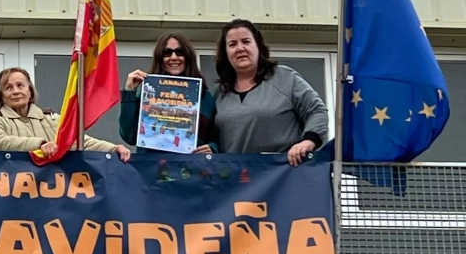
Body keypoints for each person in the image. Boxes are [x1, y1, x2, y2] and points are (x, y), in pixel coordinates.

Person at [211, 18, 329, 166]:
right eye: (232, 44)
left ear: (258, 46)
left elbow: (317, 111)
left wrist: (309, 140)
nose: (240, 48)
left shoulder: (285, 78)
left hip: (283, 173)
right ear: (225, 52)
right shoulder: (219, 93)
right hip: (235, 177)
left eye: (246, 41)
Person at [0, 67, 132, 162]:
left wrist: (112, 149)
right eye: (8, 87)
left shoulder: (52, 119)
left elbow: (80, 142)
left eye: (20, 85)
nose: (16, 91)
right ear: (1, 96)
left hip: (50, 192)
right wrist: (40, 145)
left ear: (30, 91)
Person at [118, 33, 219, 154]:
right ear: (159, 58)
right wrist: (129, 92)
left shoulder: (204, 96)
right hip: (151, 164)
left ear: (188, 57)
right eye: (167, 52)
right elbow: (129, 136)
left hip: (192, 165)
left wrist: (212, 148)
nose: (174, 57)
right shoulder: (147, 93)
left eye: (180, 52)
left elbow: (217, 137)